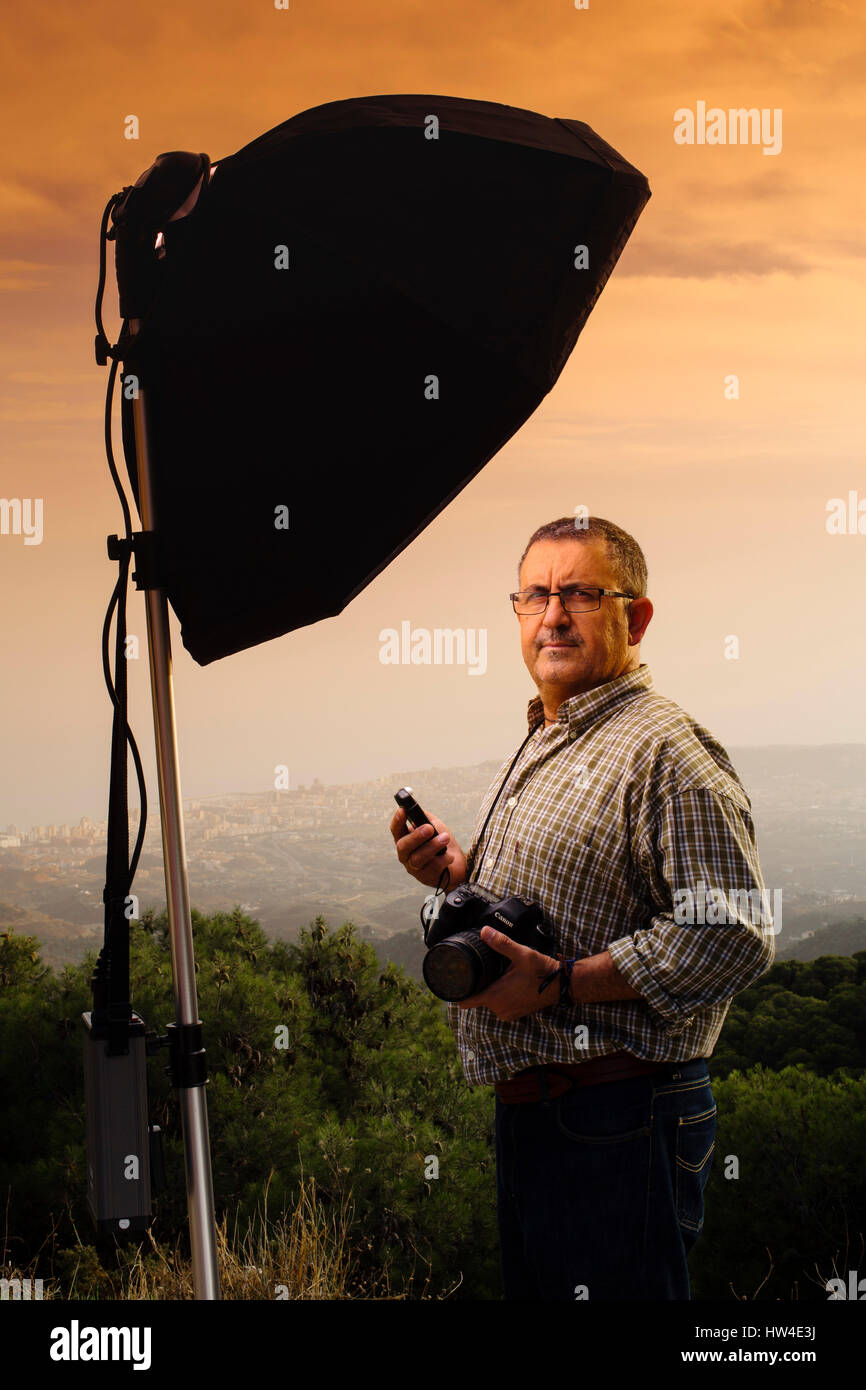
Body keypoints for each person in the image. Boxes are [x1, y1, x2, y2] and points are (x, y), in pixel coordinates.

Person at [389, 514, 775, 1300]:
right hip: (550, 1117)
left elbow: (735, 932)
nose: (553, 615)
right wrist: (459, 877)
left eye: (581, 594)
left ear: (636, 618)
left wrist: (565, 982)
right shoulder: (555, 732)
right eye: (535, 595)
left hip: (621, 1115)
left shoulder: (665, 750)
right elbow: (580, 894)